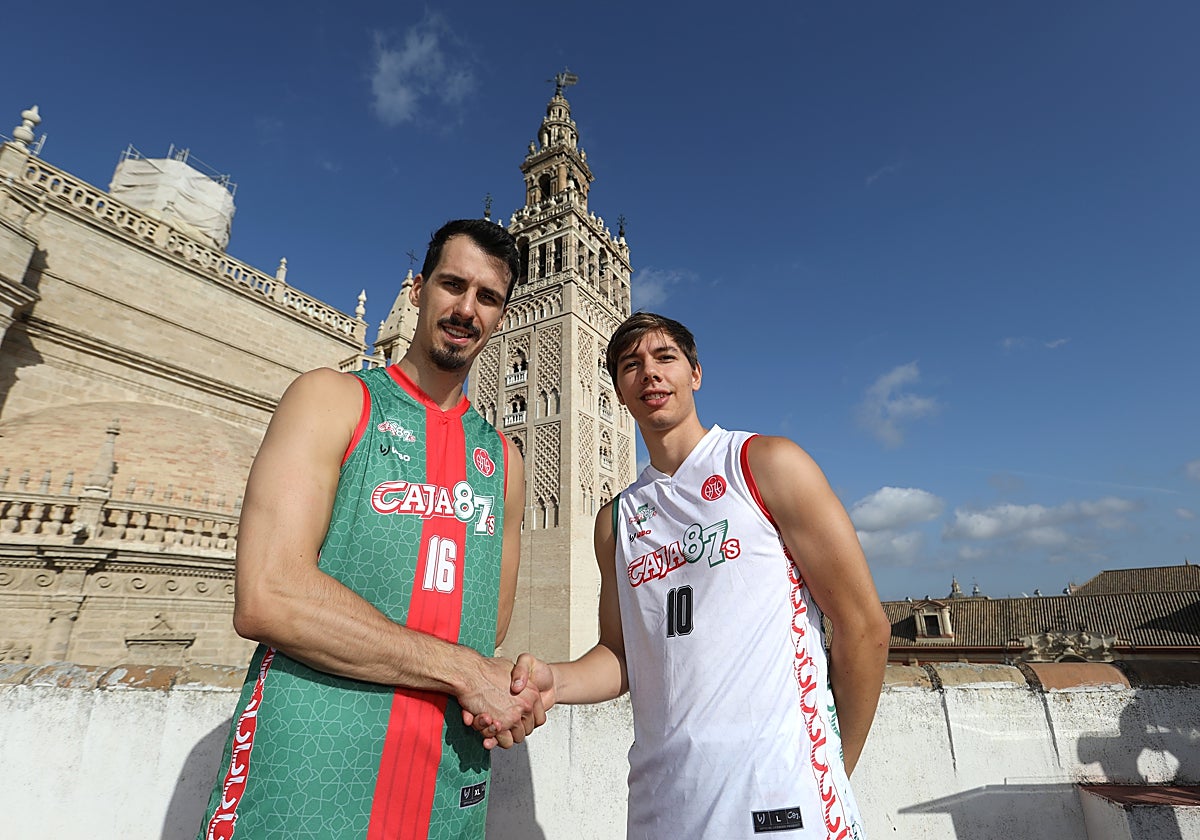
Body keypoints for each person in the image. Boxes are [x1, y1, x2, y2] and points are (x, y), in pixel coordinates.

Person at [477, 312, 891, 839]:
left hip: (780, 803)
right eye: (631, 365)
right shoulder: (617, 520)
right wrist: (553, 681)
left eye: (665, 358)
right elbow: (622, 654)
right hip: (661, 808)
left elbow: (864, 628)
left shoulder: (764, 465)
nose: (649, 373)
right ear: (617, 392)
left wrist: (831, 770)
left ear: (695, 373)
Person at [197, 219, 543, 840]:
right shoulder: (330, 399)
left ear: (501, 316)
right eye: (452, 285)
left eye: (487, 297)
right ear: (418, 290)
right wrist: (466, 674)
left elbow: (484, 624)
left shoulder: (505, 463)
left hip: (447, 787)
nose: (466, 309)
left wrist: (507, 688)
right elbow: (267, 597)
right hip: (306, 779)